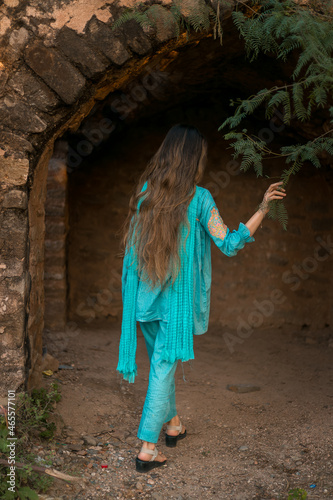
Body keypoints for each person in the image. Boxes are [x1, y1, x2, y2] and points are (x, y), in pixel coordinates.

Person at [117, 124, 286, 473]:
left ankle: (174, 424)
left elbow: (131, 251)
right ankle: (148, 447)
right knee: (164, 367)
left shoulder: (147, 192)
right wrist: (263, 207)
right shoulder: (200, 198)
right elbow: (228, 242)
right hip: (173, 307)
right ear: (193, 159)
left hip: (143, 299)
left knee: (163, 364)